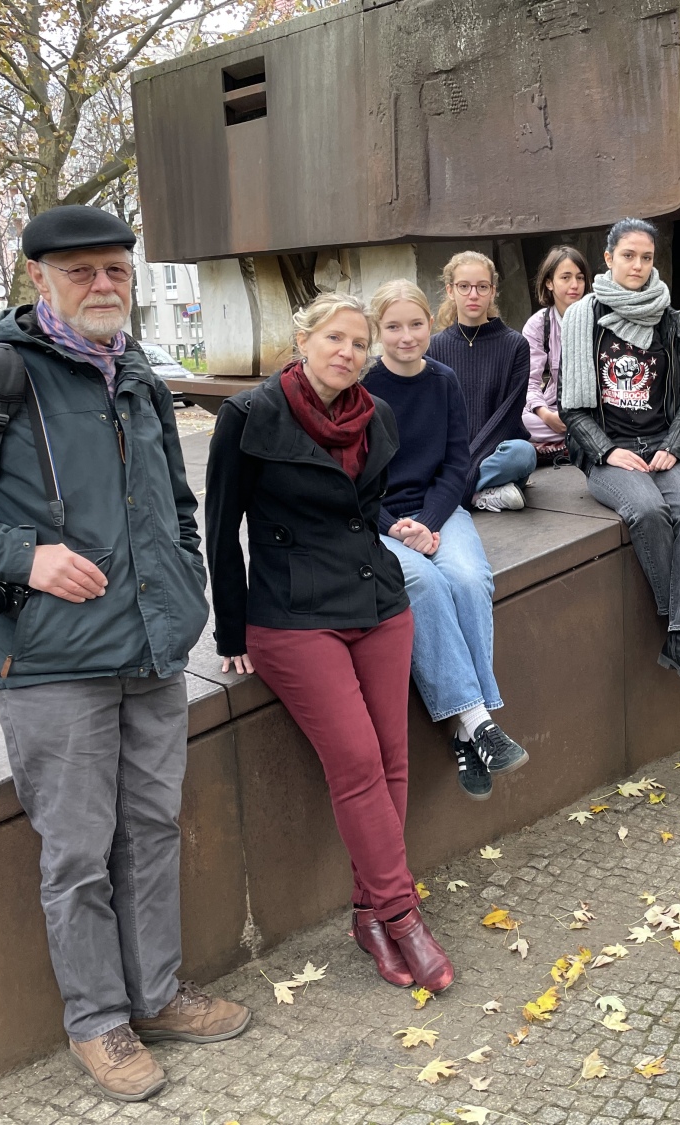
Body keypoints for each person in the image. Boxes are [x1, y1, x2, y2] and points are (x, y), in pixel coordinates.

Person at [0, 206, 247, 1103]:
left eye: (117, 269)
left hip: (153, 648)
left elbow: (174, 503)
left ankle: (154, 995)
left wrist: (186, 585)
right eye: (82, 272)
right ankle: (97, 1022)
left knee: (151, 830)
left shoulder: (140, 377)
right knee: (77, 851)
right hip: (49, 664)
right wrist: (21, 556)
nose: (105, 285)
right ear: (38, 279)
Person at [204, 291, 454, 994]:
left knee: (393, 759)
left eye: (359, 343)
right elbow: (222, 528)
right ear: (304, 339)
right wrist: (229, 627)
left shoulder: (376, 416)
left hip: (377, 598)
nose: (348, 352)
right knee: (355, 760)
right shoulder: (250, 416)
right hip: (291, 610)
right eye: (335, 338)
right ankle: (403, 917)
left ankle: (367, 913)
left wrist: (407, 530)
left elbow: (366, 513)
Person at [366, 279, 529, 799]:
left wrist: (432, 523)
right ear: (378, 331)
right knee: (422, 584)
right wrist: (397, 526)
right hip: (383, 520)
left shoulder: (444, 380)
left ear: (430, 325)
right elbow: (354, 481)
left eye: (415, 324)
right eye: (393, 327)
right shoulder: (362, 393)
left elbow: (457, 462)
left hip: (439, 510)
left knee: (468, 578)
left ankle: (464, 729)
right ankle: (479, 723)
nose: (406, 336)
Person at [560, 218, 680, 685]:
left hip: (666, 443)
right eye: (628, 255)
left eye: (646, 257)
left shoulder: (671, 321)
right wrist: (606, 451)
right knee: (647, 509)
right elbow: (573, 409)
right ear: (609, 258)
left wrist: (673, 444)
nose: (638, 265)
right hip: (610, 450)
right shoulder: (582, 320)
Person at [426, 250, 536, 512]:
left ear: (493, 291)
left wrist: (467, 466)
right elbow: (434, 417)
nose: (473, 294)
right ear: (450, 290)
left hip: (496, 451)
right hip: (449, 455)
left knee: (523, 454)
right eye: (464, 286)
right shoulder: (433, 347)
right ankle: (481, 494)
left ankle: (456, 491)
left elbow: (508, 417)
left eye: (481, 287)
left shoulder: (515, 345)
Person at [521, 244, 590, 462]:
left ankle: (575, 438)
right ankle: (578, 439)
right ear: (549, 282)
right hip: (554, 407)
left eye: (580, 278)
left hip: (593, 409)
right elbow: (529, 382)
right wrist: (546, 415)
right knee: (517, 421)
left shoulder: (597, 317)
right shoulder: (538, 325)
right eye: (566, 277)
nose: (575, 285)